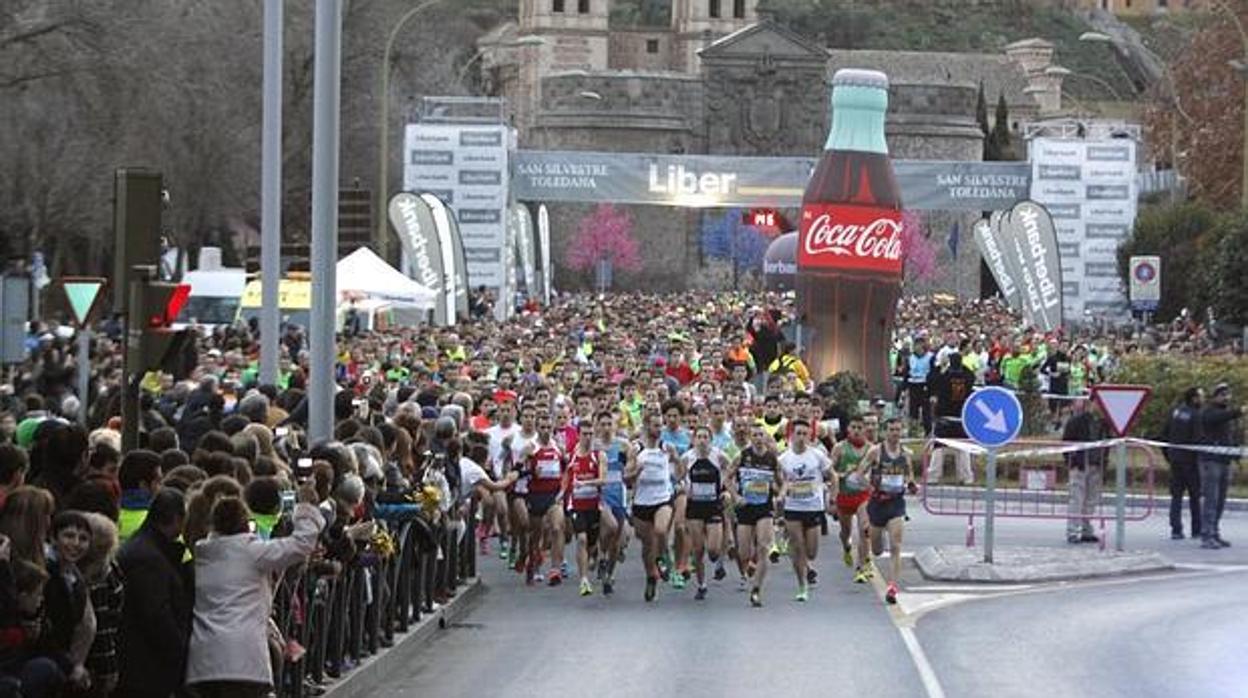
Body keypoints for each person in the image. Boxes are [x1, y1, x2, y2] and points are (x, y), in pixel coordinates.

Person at [185, 485, 324, 698]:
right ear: (244, 522)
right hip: (244, 658)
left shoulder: (202, 554)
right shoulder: (253, 552)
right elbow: (301, 543)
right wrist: (305, 506)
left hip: (205, 660)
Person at [115, 489, 191, 698]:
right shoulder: (148, 558)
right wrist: (180, 650)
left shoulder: (146, 548)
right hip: (144, 667)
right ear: (176, 518)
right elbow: (156, 614)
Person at [857, 418, 917, 605]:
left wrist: (911, 485)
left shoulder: (906, 454)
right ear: (885, 431)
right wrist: (870, 487)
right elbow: (859, 473)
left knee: (896, 545)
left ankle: (892, 586)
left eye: (898, 430)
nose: (895, 433)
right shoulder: (876, 451)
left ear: (902, 432)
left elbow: (909, 477)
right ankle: (874, 538)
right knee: (876, 550)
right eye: (891, 429)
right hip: (877, 503)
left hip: (896, 503)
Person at [776, 419, 835, 602]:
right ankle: (802, 585)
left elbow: (833, 476)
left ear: (810, 436)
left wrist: (832, 496)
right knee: (798, 547)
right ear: (791, 435)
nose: (801, 437)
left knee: (811, 552)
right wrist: (781, 494)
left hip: (813, 507)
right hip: (793, 508)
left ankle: (806, 567)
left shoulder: (817, 456)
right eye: (798, 433)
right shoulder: (783, 459)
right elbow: (778, 481)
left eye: (805, 434)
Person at [624, 412, 680, 603]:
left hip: (663, 498)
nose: (659, 429)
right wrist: (636, 471)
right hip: (641, 502)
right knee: (648, 545)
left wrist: (678, 461)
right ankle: (651, 577)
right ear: (647, 426)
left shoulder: (667, 447)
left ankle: (664, 558)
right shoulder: (636, 449)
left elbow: (680, 473)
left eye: (661, 426)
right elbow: (627, 477)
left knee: (661, 530)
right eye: (656, 426)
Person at [725, 424, 779, 608]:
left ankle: (756, 589)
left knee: (764, 546)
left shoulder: (772, 458)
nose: (757, 438)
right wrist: (735, 495)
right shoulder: (742, 456)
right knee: (744, 553)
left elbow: (783, 480)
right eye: (754, 434)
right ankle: (749, 566)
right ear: (750, 437)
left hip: (764, 507)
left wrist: (780, 495)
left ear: (765, 437)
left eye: (760, 435)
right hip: (745, 506)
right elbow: (727, 478)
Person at [681, 425, 729, 601]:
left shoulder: (719, 456)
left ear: (711, 439)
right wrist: (683, 488)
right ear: (693, 440)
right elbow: (677, 477)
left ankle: (719, 561)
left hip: (713, 505)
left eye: (705, 437)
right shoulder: (687, 458)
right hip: (694, 506)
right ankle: (701, 585)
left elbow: (730, 473)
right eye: (698, 437)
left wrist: (726, 490)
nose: (702, 440)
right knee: (698, 549)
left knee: (713, 550)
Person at [519, 412, 567, 586]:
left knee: (556, 528)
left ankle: (555, 569)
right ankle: (533, 565)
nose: (546, 431)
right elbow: (517, 471)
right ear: (537, 429)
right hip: (535, 495)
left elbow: (567, 470)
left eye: (549, 427)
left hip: (553, 495)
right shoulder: (530, 448)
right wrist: (530, 471)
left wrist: (563, 490)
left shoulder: (558, 448)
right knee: (536, 535)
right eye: (542, 427)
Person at [1197, 383, 1241, 549]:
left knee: (1220, 500)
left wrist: (1235, 452)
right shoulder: (1209, 412)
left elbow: (1228, 436)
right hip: (1211, 461)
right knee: (1211, 499)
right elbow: (1216, 419)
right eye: (1222, 395)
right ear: (1214, 396)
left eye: (1227, 394)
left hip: (1224, 461)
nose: (1226, 398)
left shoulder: (1225, 414)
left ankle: (1215, 532)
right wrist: (1238, 412)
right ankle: (1206, 535)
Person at [830, 416, 873, 583]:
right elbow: (830, 471)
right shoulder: (840, 448)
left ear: (865, 430)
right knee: (845, 531)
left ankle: (862, 566)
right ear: (848, 429)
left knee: (864, 529)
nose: (856, 430)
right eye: (853, 427)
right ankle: (846, 547)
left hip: (863, 495)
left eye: (859, 427)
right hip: (844, 495)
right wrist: (842, 475)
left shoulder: (871, 449)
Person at [563, 435, 606, 596]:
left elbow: (602, 480)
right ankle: (584, 580)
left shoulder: (598, 456)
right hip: (576, 505)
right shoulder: (572, 456)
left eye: (590, 434)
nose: (588, 438)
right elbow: (566, 478)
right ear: (579, 436)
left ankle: (594, 552)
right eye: (584, 435)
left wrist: (585, 483)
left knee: (591, 543)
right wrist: (561, 495)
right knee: (581, 539)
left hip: (594, 505)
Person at [1063, 399, 1109, 545]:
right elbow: (1066, 443)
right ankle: (1073, 531)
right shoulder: (1077, 421)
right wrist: (1073, 462)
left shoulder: (1104, 423)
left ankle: (1086, 529)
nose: (1100, 407)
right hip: (1080, 465)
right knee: (1076, 498)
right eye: (1098, 403)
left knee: (1091, 500)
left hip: (1097, 464)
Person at [926, 352, 975, 485]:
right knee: (963, 449)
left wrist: (941, 367)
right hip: (961, 417)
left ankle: (933, 476)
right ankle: (966, 477)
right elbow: (972, 376)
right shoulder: (967, 377)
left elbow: (931, 381)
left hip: (944, 417)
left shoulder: (944, 377)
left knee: (938, 448)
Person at [1163, 387, 1203, 540]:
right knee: (1195, 496)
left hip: (1175, 459)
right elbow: (1197, 439)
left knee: (1176, 496)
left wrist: (1169, 455)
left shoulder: (1175, 412)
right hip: (1191, 462)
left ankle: (1176, 529)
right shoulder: (1195, 415)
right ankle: (1197, 529)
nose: (1202, 400)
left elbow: (1164, 434)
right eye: (1201, 397)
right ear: (1194, 399)